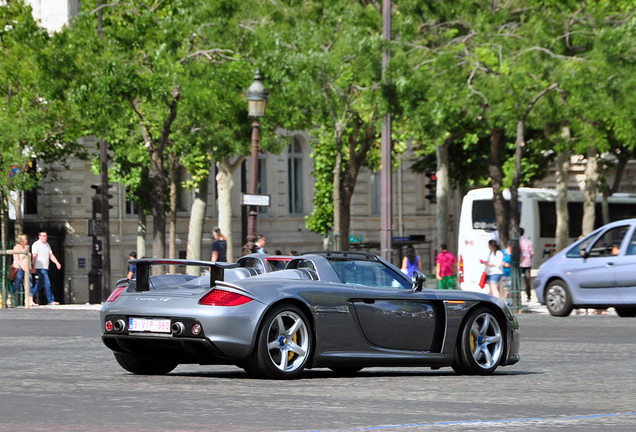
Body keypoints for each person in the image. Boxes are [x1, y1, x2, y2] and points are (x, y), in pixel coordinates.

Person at [31, 232, 61, 306]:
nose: (45, 237)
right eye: (43, 236)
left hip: (45, 266)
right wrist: (34, 266)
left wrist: (57, 262)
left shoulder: (47, 245)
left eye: (46, 236)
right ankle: (50, 300)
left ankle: (29, 296)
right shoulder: (36, 245)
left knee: (40, 285)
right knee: (47, 283)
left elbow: (51, 255)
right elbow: (34, 256)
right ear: (39, 237)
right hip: (39, 267)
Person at [9, 234, 29, 308]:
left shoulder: (26, 247)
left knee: (29, 283)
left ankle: (29, 300)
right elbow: (16, 259)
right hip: (19, 268)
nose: (26, 240)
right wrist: (22, 266)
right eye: (25, 239)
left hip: (27, 268)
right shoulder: (16, 247)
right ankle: (10, 296)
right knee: (17, 283)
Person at [519, 228, 534, 303]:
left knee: (517, 280)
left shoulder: (516, 242)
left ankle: (518, 296)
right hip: (527, 263)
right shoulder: (528, 242)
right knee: (527, 280)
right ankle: (529, 296)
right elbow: (531, 253)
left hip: (518, 264)